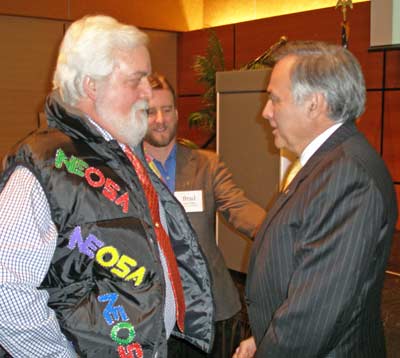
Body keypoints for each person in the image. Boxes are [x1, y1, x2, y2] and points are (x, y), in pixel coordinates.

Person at [0, 15, 215, 358]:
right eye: (136, 80)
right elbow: (5, 289)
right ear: (91, 86)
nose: (148, 91)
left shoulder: (121, 151)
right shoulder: (45, 167)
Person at [234, 41, 398, 358]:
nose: (265, 112)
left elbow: (314, 314)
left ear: (314, 104)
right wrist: (265, 335)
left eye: (274, 100)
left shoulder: (347, 176)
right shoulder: (328, 162)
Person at [142, 73, 266, 357]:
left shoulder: (206, 165)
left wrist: (279, 230)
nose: (160, 119)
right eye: (150, 111)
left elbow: (238, 206)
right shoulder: (126, 169)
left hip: (209, 307)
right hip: (152, 309)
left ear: (177, 112)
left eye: (167, 109)